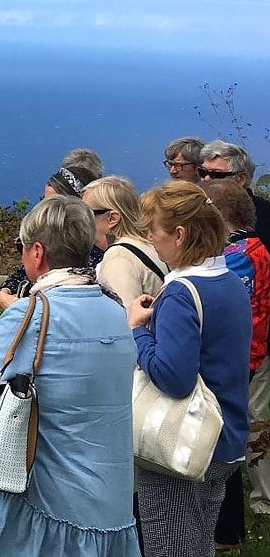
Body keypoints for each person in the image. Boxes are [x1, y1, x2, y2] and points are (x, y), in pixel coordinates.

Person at [0, 195, 138, 555]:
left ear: (37, 252)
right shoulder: (114, 310)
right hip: (112, 503)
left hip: (48, 505)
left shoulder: (32, 315)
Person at [128, 181, 251, 556]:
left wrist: (137, 330)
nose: (151, 239)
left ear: (179, 234)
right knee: (199, 545)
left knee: (170, 548)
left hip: (182, 446)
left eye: (154, 230)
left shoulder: (181, 291)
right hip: (224, 438)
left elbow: (174, 378)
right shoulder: (230, 281)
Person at [205, 180, 270, 551]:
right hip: (247, 352)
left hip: (238, 355)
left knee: (221, 438)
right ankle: (227, 530)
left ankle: (226, 530)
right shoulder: (254, 246)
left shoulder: (239, 255)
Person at [0, 165, 99, 309]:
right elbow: (22, 273)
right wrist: (4, 292)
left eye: (53, 204)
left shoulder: (88, 254)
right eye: (43, 201)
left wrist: (21, 311)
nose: (43, 208)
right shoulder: (53, 240)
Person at [85, 176, 167, 307]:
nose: (82, 220)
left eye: (87, 214)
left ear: (112, 218)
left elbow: (126, 319)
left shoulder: (118, 257)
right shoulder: (148, 245)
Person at [200, 139, 270, 250]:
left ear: (241, 179)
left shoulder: (265, 217)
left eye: (216, 174)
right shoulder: (195, 211)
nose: (206, 179)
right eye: (202, 172)